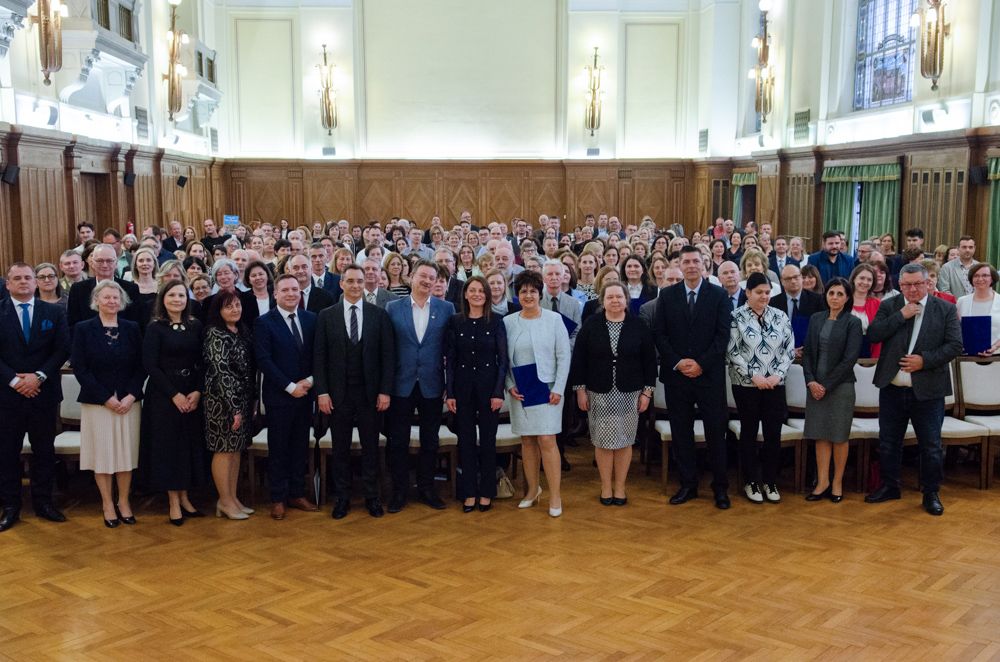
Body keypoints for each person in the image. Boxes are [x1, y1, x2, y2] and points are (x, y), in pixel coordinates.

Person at [864, 263, 964, 516]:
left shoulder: (946, 309)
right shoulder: (890, 305)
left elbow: (954, 346)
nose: (912, 289)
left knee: (930, 445)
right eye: (906, 285)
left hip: (928, 391)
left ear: (927, 282)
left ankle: (930, 492)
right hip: (893, 388)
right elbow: (874, 334)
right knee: (888, 442)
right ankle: (890, 486)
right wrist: (901, 315)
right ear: (900, 285)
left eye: (917, 284)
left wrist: (924, 361)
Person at [315, 264, 395, 519]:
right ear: (341, 284)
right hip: (338, 395)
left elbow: (387, 357)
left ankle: (372, 497)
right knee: (340, 448)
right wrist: (322, 392)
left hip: (370, 394)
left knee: (371, 447)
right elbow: (319, 358)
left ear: (365, 283)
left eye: (359, 281)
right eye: (350, 281)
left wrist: (385, 391)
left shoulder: (378, 315)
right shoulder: (326, 316)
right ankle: (342, 498)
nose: (355, 286)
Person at [655, 246, 732, 509]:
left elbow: (723, 338)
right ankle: (688, 485)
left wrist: (700, 364)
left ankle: (720, 487)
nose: (690, 265)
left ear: (704, 265)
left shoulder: (719, 295)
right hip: (677, 376)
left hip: (708, 376)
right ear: (680, 264)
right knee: (681, 433)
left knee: (715, 432)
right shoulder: (666, 296)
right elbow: (660, 335)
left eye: (695, 261)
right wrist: (679, 362)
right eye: (685, 261)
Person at [570, 282, 656, 506]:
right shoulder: (591, 325)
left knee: (625, 441)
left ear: (627, 300)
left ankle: (620, 487)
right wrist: (580, 391)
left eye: (620, 296)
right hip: (598, 392)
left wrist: (647, 393)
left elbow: (649, 362)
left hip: (630, 393)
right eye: (611, 297)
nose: (615, 301)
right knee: (602, 441)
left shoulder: (638, 326)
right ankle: (606, 486)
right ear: (603, 301)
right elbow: (579, 361)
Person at [0, 264, 71, 532]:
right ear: (8, 284)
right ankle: (11, 506)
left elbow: (63, 347)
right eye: (16, 278)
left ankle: (44, 502)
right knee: (7, 452)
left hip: (43, 393)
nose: (23, 282)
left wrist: (38, 376)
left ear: (36, 282)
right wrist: (16, 380)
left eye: (28, 277)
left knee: (44, 451)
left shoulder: (52, 311)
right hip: (7, 395)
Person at [72, 281, 145, 528]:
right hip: (98, 404)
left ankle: (124, 502)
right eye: (107, 297)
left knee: (126, 454)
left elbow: (141, 366)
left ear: (121, 301)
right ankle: (106, 503)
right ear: (97, 301)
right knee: (103, 455)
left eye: (116, 297)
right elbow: (80, 368)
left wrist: (131, 395)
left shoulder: (132, 328)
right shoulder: (83, 329)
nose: (112, 301)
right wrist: (106, 397)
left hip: (128, 403)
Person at [385, 260, 455, 513]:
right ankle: (399, 491)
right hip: (401, 384)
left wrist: (450, 384)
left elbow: (450, 350)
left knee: (430, 440)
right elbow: (387, 349)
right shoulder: (393, 307)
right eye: (422, 276)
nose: (427, 281)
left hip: (432, 384)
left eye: (432, 278)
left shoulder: (447, 308)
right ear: (411, 277)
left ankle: (427, 488)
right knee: (398, 441)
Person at [505, 270, 571, 517]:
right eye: (523, 291)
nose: (528, 295)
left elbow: (564, 357)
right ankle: (533, 490)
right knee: (528, 441)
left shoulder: (554, 320)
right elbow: (504, 359)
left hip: (548, 389)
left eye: (533, 291)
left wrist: (558, 389)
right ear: (517, 295)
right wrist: (509, 383)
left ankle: (555, 495)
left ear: (540, 294)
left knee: (547, 439)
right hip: (520, 390)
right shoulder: (508, 322)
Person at [139, 281, 206, 525]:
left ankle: (186, 497)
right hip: (164, 396)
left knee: (187, 447)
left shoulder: (195, 325)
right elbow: (150, 365)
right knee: (169, 449)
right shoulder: (156, 328)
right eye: (172, 295)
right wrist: (173, 394)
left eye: (181, 295)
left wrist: (198, 391)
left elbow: (202, 360)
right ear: (162, 299)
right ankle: (173, 501)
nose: (177, 299)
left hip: (191, 393)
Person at [254, 274, 319, 520]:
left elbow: (318, 355)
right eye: (286, 290)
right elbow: (264, 361)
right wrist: (290, 386)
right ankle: (278, 498)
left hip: (306, 395)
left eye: (295, 289)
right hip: (279, 397)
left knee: (299, 447)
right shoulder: (264, 322)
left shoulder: (311, 319)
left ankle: (296, 493)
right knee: (279, 448)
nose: (292, 293)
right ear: (276, 294)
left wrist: (310, 381)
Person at [726, 272, 795, 504]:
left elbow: (789, 350)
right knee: (749, 431)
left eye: (767, 292)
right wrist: (753, 375)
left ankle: (770, 480)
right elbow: (733, 351)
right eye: (759, 292)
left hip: (775, 384)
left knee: (773, 433)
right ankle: (751, 480)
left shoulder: (780, 316)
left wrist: (777, 375)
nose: (764, 296)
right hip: (746, 384)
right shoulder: (736, 317)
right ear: (747, 293)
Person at [444, 276, 509, 513]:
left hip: (489, 389)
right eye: (472, 290)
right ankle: (469, 492)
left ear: (487, 295)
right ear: (465, 294)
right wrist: (450, 392)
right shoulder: (455, 321)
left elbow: (503, 361)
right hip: (462, 389)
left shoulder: (496, 322)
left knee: (488, 442)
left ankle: (487, 492)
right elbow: (450, 360)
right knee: (466, 442)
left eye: (481, 290)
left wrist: (498, 392)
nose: (477, 294)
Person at [802, 277, 863, 503]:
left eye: (840, 294)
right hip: (815, 386)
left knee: (838, 436)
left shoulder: (852, 323)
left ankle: (837, 482)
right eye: (831, 293)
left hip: (841, 387)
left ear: (847, 298)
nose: (835, 297)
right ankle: (822, 481)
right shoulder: (816, 319)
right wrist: (811, 382)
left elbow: (849, 360)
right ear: (825, 295)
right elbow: (807, 353)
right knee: (820, 435)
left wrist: (826, 386)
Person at [204, 290, 256, 521]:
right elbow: (221, 371)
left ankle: (232, 498)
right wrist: (234, 407)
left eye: (237, 305)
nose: (235, 309)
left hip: (242, 399)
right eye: (228, 306)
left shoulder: (241, 331)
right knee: (224, 451)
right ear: (218, 310)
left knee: (236, 451)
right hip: (221, 402)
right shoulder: (215, 334)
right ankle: (224, 500)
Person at [67, 244, 141, 329]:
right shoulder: (78, 290)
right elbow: (72, 325)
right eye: (100, 261)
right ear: (92, 263)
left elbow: (135, 324)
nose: (105, 265)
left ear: (116, 263)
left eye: (109, 261)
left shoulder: (131, 289)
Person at [956, 263, 1000, 356]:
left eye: (985, 275)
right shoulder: (961, 301)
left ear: (992, 278)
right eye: (976, 276)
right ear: (971, 279)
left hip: (997, 356)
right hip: (967, 357)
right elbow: (957, 329)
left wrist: (995, 346)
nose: (980, 279)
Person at [849, 263, 882, 359]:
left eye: (869, 280)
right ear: (854, 278)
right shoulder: (843, 300)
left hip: (868, 352)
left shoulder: (878, 304)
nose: (865, 282)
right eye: (862, 278)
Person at [238, 260, 274, 329]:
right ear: (248, 280)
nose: (258, 278)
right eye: (253, 275)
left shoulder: (276, 295)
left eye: (261, 274)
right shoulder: (243, 298)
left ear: (267, 275)